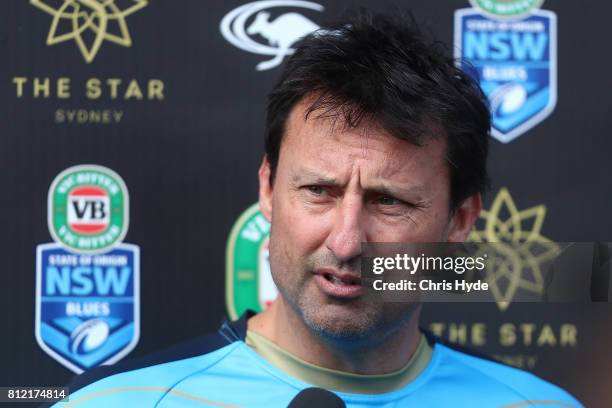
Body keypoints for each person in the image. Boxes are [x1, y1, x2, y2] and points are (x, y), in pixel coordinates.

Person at [50, 12, 582, 407]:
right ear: (268, 187)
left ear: (460, 220)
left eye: (388, 201)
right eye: (318, 191)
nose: (347, 241)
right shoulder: (119, 401)